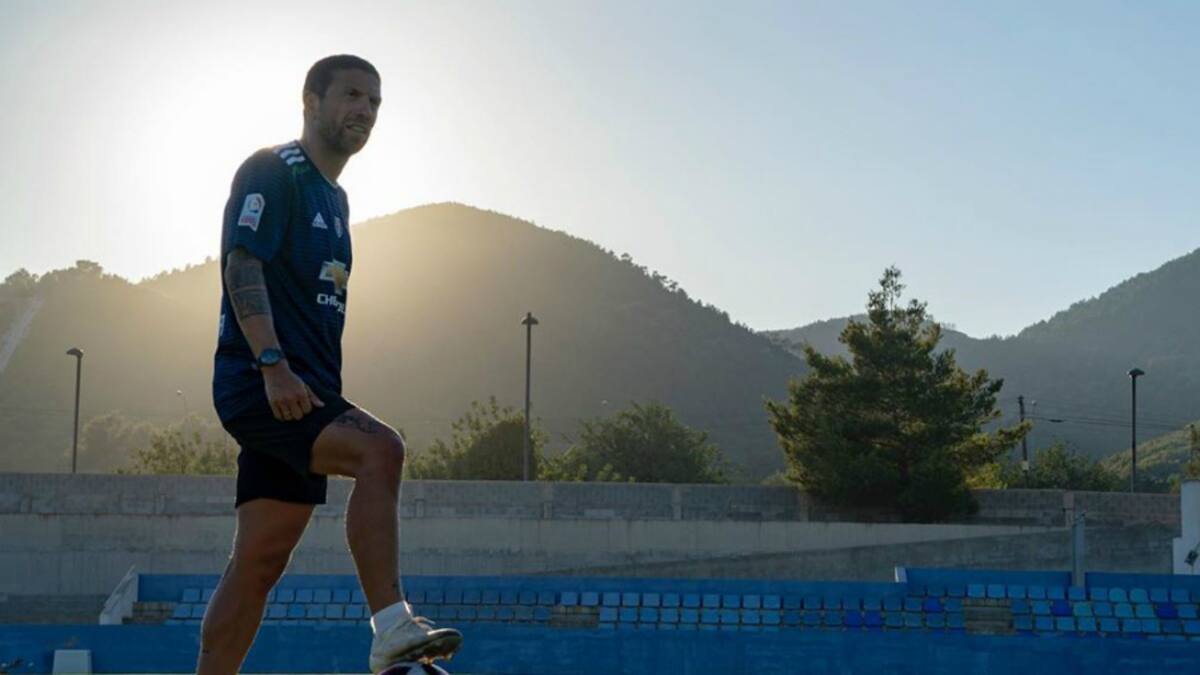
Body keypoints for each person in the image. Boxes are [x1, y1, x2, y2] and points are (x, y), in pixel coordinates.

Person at [200, 54, 461, 674]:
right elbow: (242, 263)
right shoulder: (274, 170)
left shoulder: (336, 200)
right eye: (351, 96)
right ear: (310, 102)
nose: (364, 111)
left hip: (300, 390)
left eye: (373, 102)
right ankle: (392, 628)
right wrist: (271, 364)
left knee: (259, 560)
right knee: (382, 451)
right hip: (266, 385)